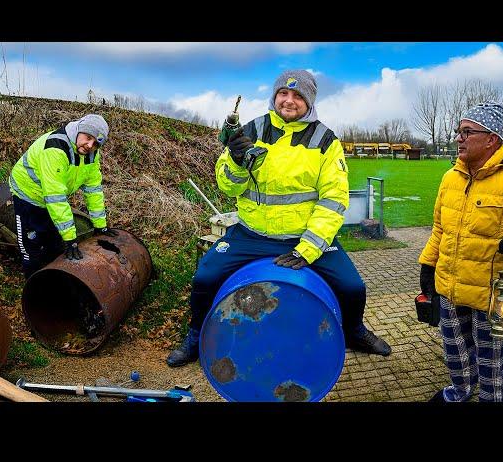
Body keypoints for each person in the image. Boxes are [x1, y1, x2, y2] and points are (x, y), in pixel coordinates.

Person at [167, 69, 392, 367]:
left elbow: (334, 200)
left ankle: (353, 330)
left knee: (353, 287)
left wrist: (308, 248)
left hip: (303, 238)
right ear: (274, 96)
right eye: (283, 93)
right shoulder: (251, 129)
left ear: (309, 102)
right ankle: (196, 334)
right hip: (251, 234)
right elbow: (228, 186)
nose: (289, 100)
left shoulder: (326, 140)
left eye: (298, 95)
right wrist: (235, 160)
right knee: (206, 276)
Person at [418, 101, 503, 402]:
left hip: (493, 292)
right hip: (451, 286)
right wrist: (428, 265)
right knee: (455, 352)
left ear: (491, 138)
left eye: (466, 132)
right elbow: (440, 229)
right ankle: (459, 393)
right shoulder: (451, 178)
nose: (458, 138)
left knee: (493, 363)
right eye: (458, 131)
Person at [8, 114, 118, 280]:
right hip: (28, 194)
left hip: (51, 197)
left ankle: (53, 279)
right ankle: (34, 286)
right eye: (88, 137)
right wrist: (70, 238)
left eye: (96, 143)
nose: (90, 145)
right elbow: (55, 196)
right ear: (79, 130)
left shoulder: (92, 155)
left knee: (53, 242)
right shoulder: (56, 148)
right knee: (31, 247)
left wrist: (100, 226)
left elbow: (94, 189)